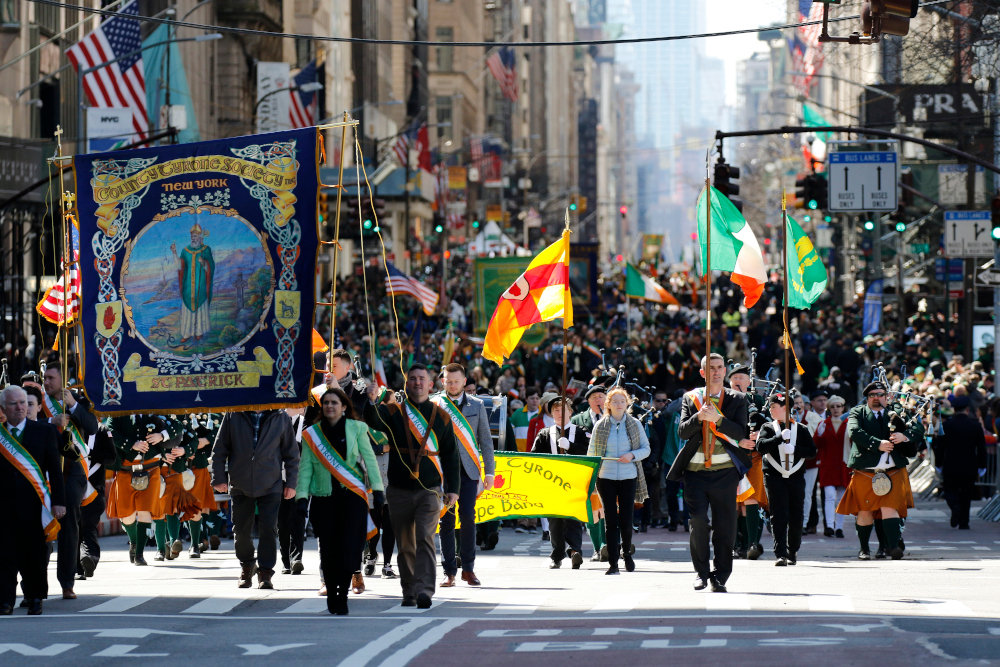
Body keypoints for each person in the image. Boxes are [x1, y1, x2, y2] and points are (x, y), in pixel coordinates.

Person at [364, 363, 460, 609]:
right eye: (413, 378)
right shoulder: (394, 411)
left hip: (429, 489)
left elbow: (450, 454)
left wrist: (453, 488)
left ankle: (425, 590)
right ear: (406, 384)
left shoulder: (441, 416)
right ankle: (409, 591)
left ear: (430, 384)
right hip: (398, 490)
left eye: (422, 379)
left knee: (425, 538)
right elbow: (372, 421)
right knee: (405, 544)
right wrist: (371, 399)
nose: (417, 382)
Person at [667, 353, 752, 593]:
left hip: (725, 472)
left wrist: (718, 419)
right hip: (695, 472)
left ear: (725, 371)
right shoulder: (690, 398)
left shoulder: (737, 398)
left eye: (719, 367)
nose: (715, 372)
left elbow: (740, 432)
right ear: (703, 372)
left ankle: (721, 575)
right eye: (710, 368)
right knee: (698, 521)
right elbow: (682, 432)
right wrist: (699, 416)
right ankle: (701, 572)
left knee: (725, 526)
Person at [297, 387, 383, 615]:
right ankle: (332, 593)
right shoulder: (311, 434)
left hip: (352, 498)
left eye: (335, 402)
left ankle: (342, 593)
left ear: (344, 406)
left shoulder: (357, 428)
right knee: (328, 550)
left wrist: (379, 489)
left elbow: (370, 461)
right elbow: (305, 468)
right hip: (324, 499)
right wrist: (301, 496)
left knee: (349, 549)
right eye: (326, 403)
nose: (329, 406)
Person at [212, 409, 299, 589]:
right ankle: (247, 565)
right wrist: (219, 478)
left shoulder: (280, 416)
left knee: (268, 527)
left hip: (271, 482)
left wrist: (291, 482)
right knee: (241, 530)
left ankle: (266, 571)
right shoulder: (233, 415)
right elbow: (219, 449)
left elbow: (291, 453)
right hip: (240, 482)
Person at [837, 381, 922, 560]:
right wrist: (878, 444)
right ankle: (864, 549)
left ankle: (892, 548)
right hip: (866, 470)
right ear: (866, 398)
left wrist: (904, 435)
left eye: (880, 394)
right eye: (872, 395)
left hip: (893, 469)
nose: (877, 398)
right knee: (865, 510)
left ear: (887, 396)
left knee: (890, 508)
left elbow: (918, 428)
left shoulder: (898, 411)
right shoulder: (857, 412)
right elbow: (854, 432)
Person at [0, 386, 66, 616]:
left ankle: (35, 597)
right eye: (14, 404)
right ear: (3, 409)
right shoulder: (0, 436)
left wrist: (59, 502)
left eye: (23, 403)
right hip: (4, 507)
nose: (20, 407)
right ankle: (5, 600)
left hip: (35, 505)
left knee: (34, 555)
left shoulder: (44, 431)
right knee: (5, 556)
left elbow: (55, 471)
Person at [40, 366, 98, 600]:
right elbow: (27, 422)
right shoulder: (38, 401)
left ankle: (66, 581)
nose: (47, 382)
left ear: (63, 380)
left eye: (52, 378)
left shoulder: (78, 402)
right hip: (43, 469)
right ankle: (34, 584)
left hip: (72, 469)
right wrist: (51, 420)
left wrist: (72, 404)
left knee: (69, 524)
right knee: (38, 526)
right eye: (45, 378)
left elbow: (93, 427)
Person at [435, 363, 495, 587]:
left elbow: (486, 441)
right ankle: (449, 570)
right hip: (443, 472)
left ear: (463, 382)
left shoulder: (477, 405)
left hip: (469, 471)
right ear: (443, 382)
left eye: (456, 381)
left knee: (468, 518)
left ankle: (468, 569)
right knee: (446, 520)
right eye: (448, 381)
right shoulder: (435, 403)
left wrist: (489, 471)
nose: (452, 384)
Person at [587, 387, 650, 575]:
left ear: (627, 403)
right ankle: (613, 563)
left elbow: (646, 449)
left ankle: (627, 553)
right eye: (615, 401)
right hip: (605, 477)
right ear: (608, 404)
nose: (619, 404)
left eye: (622, 401)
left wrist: (632, 455)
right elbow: (592, 453)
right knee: (610, 520)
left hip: (628, 477)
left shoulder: (635, 424)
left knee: (626, 519)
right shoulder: (600, 425)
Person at [755, 391, 817, 566]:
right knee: (778, 515)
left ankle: (792, 550)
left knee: (796, 515)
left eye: (774, 407)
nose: (771, 410)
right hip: (774, 476)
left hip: (796, 477)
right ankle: (780, 553)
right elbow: (760, 447)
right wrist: (778, 439)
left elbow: (812, 452)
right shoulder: (767, 427)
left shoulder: (801, 429)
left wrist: (795, 449)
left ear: (785, 408)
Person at [532, 396, 588, 569]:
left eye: (563, 409)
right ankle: (557, 554)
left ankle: (574, 551)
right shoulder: (544, 434)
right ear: (551, 413)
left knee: (573, 517)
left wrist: (571, 446)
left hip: (574, 481)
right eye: (555, 410)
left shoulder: (581, 431)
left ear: (571, 412)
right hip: (552, 483)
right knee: (554, 519)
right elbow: (535, 457)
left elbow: (589, 452)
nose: (559, 413)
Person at [106, 414, 170, 566]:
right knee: (127, 516)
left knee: (145, 511)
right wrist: (131, 444)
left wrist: (162, 435)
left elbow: (175, 425)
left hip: (151, 468)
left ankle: (139, 554)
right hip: (125, 469)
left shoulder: (152, 411)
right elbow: (109, 432)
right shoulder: (118, 412)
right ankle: (134, 542)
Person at [728, 365, 767, 560]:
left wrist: (759, 433)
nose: (737, 381)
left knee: (750, 499)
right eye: (734, 378)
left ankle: (751, 543)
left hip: (753, 456)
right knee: (734, 502)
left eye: (741, 377)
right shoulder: (723, 401)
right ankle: (736, 545)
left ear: (748, 382)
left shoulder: (758, 401)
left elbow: (768, 424)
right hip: (730, 456)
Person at [934, 394, 988, 530]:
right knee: (966, 493)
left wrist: (938, 463)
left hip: (950, 464)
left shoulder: (946, 425)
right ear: (967, 410)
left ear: (954, 410)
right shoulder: (975, 426)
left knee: (949, 490)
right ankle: (964, 523)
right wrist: (982, 465)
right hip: (970, 464)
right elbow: (981, 447)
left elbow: (940, 447)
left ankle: (954, 506)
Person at [572, 383, 608, 560]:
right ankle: (597, 547)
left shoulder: (613, 417)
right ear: (588, 401)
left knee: (608, 508)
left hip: (609, 468)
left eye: (601, 397)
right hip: (587, 469)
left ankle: (608, 545)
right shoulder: (578, 420)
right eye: (594, 398)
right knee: (592, 509)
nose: (598, 400)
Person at [170, 222, 215, 344]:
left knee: (200, 308)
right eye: (192, 236)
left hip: (201, 287)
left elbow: (211, 266)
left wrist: (204, 263)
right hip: (188, 287)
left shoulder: (206, 250)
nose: (193, 238)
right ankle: (186, 334)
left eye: (195, 236)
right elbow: (179, 265)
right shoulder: (185, 251)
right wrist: (174, 252)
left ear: (201, 238)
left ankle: (199, 332)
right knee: (187, 310)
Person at [813, 395, 851, 538]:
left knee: (841, 498)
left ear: (843, 408)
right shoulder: (823, 424)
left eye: (838, 406)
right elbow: (816, 444)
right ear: (829, 409)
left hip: (844, 465)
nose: (836, 409)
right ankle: (829, 526)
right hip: (828, 465)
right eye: (833, 407)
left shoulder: (849, 423)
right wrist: (819, 434)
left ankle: (839, 527)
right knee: (829, 497)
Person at [278, 407, 307, 574]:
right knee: (282, 520)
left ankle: (296, 558)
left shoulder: (305, 425)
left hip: (301, 477)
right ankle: (285, 561)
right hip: (279, 477)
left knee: (298, 517)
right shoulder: (278, 421)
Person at [801, 389, 828, 535]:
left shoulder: (832, 416)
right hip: (809, 460)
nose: (823, 403)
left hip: (825, 461)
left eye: (825, 400)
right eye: (819, 400)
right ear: (812, 404)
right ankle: (811, 523)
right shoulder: (803, 418)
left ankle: (829, 525)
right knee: (807, 493)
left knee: (826, 494)